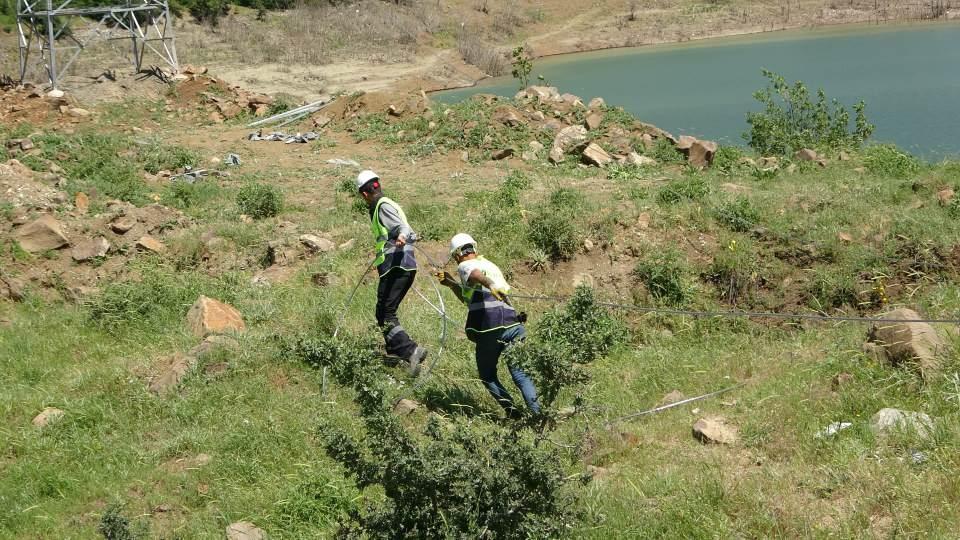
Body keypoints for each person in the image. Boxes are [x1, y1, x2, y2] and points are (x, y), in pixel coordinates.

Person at [436, 233, 540, 417]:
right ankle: (539, 416)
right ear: (474, 248)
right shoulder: (491, 265)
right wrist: (451, 283)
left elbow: (476, 276)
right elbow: (471, 297)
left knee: (488, 376)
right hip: (513, 324)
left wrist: (489, 284)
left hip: (490, 328)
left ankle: (514, 414)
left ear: (457, 254)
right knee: (521, 375)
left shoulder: (465, 265)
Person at [356, 170, 427, 374]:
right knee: (383, 312)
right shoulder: (386, 203)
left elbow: (403, 228)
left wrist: (403, 236)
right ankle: (395, 354)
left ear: (364, 194)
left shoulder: (382, 205)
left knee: (386, 313)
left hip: (396, 265)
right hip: (400, 266)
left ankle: (411, 350)